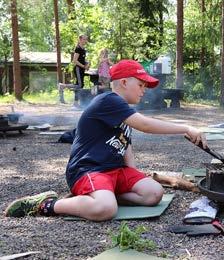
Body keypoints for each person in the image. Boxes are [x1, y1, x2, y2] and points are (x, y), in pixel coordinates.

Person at [4, 60, 207, 222]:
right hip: (90, 170)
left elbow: (124, 143)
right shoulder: (109, 100)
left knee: (154, 193)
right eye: (141, 84)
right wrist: (187, 128)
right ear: (124, 82)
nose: (144, 90)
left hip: (115, 172)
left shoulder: (123, 109)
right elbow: (145, 125)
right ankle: (45, 204)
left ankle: (95, 197)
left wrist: (134, 174)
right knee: (106, 209)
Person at [58, 35, 89, 106]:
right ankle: (63, 86)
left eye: (86, 39)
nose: (85, 41)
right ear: (80, 40)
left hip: (82, 69)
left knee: (80, 85)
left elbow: (81, 59)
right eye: (84, 39)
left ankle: (75, 102)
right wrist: (83, 66)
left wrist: (87, 63)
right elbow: (74, 61)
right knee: (79, 85)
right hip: (78, 69)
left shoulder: (83, 49)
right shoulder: (78, 48)